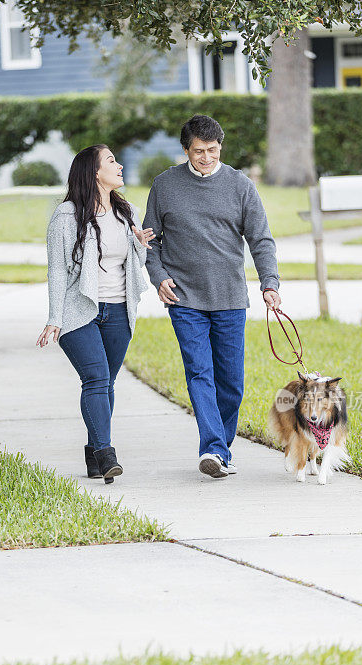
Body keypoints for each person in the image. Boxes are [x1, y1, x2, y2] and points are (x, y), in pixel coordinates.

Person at [143, 114, 282, 479]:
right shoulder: (165, 185)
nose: (206, 157)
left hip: (231, 297)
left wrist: (270, 283)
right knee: (199, 372)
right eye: (199, 151)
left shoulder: (240, 185)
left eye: (213, 150)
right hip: (184, 297)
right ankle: (214, 450)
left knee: (231, 382)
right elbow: (150, 240)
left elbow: (261, 239)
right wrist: (158, 277)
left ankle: (221, 449)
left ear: (221, 147)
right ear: (186, 150)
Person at [36, 145, 155, 483]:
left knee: (107, 382)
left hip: (119, 310)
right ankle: (106, 454)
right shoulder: (66, 216)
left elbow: (135, 267)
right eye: (111, 161)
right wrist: (54, 318)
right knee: (96, 379)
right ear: (93, 172)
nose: (119, 166)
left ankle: (92, 455)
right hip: (79, 310)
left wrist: (139, 245)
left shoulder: (127, 211)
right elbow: (57, 271)